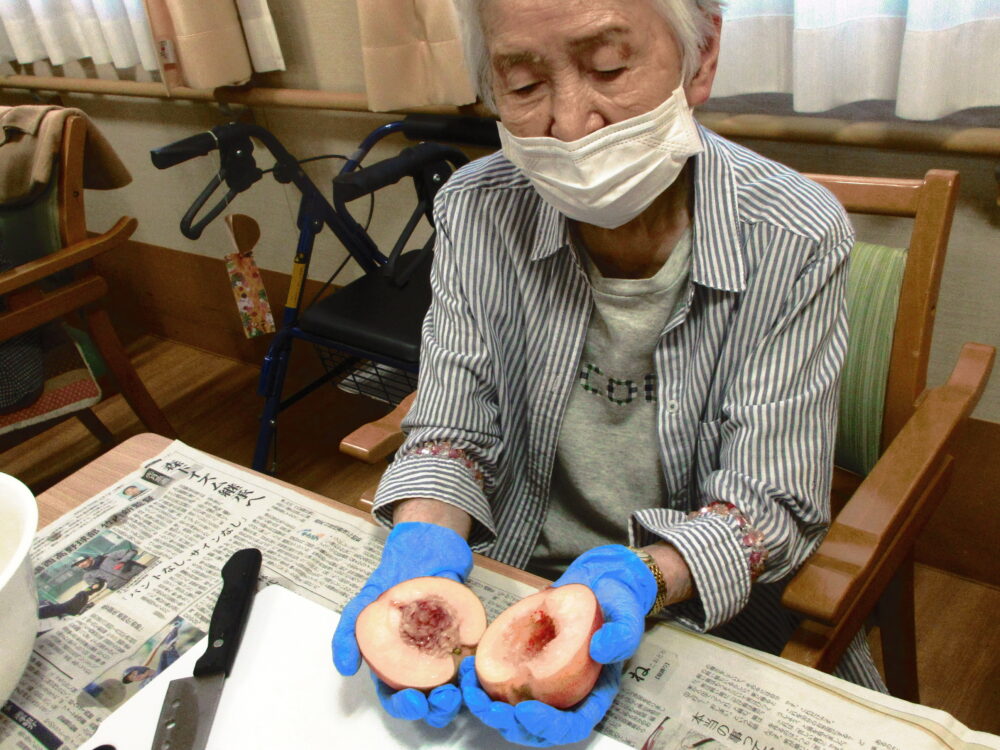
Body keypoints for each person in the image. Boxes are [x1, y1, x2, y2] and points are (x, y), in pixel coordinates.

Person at [333, 0, 885, 745]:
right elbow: (453, 423)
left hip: (706, 597)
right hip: (516, 567)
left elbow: (768, 502)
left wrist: (644, 578)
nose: (568, 121)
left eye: (609, 68)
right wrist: (424, 536)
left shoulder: (794, 234)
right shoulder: (474, 209)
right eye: (524, 85)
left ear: (703, 54)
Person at [73, 545, 145, 591]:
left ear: (90, 558)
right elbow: (96, 584)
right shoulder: (87, 575)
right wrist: (95, 586)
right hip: (124, 586)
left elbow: (132, 552)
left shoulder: (108, 556)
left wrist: (123, 562)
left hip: (140, 575)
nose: (81, 565)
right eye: (78, 564)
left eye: (82, 561)